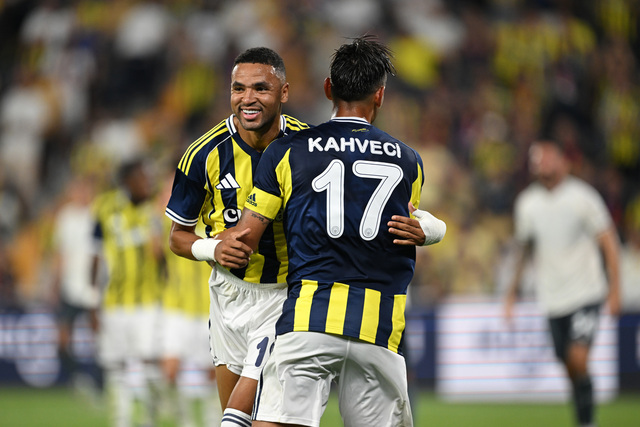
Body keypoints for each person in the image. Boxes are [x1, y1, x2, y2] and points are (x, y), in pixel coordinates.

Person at [216, 36, 446, 427]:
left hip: (309, 318)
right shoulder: (409, 161)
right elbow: (413, 223)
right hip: (378, 327)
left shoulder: (288, 151)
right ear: (380, 95)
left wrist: (209, 241)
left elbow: (245, 241)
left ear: (328, 88)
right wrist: (434, 229)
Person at [165, 47, 310, 427]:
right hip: (227, 296)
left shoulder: (308, 147)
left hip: (285, 293)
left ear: (284, 92)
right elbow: (177, 237)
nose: (247, 98)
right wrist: (213, 248)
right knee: (234, 408)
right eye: (238, 88)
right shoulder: (202, 154)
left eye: (260, 88)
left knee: (245, 415)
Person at [504, 139, 621, 427]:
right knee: (569, 365)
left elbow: (608, 242)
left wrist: (615, 289)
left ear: (561, 161)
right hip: (552, 298)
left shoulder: (583, 197)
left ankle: (587, 422)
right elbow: (524, 251)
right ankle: (584, 415)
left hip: (586, 293)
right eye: (536, 159)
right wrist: (511, 293)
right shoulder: (527, 204)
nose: (540, 163)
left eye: (545, 157)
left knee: (578, 358)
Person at [91, 158, 165, 427]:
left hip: (148, 301)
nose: (147, 183)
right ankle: (121, 420)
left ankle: (149, 417)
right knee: (117, 365)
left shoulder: (154, 211)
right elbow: (95, 255)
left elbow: (162, 259)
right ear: (128, 182)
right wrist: (93, 301)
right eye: (142, 178)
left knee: (150, 364)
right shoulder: (105, 208)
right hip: (114, 301)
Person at [158, 176, 222, 426]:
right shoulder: (168, 222)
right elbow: (154, 250)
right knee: (170, 368)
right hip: (176, 305)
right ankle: (183, 418)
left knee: (212, 369)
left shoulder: (211, 218)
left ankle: (212, 416)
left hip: (208, 305)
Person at [51, 175, 102, 393]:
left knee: (99, 338)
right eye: (77, 189)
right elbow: (60, 252)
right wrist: (56, 282)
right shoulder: (65, 217)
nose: (81, 194)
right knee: (62, 339)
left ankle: (100, 384)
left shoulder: (97, 215)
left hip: (93, 286)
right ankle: (77, 378)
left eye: (84, 190)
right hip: (70, 286)